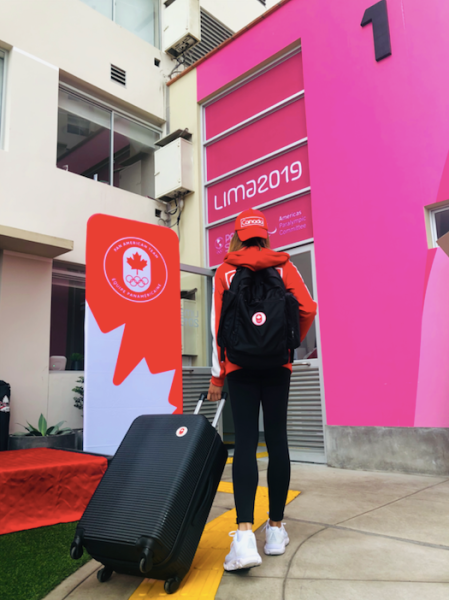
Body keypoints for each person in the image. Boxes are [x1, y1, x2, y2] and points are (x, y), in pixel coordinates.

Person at [207, 208, 317, 571]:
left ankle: (243, 538)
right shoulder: (285, 266)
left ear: (237, 235)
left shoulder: (225, 271)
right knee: (278, 441)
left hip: (239, 367)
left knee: (244, 447)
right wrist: (287, 343)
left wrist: (217, 375)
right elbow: (308, 309)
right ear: (266, 234)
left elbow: (216, 327)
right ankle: (274, 530)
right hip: (276, 366)